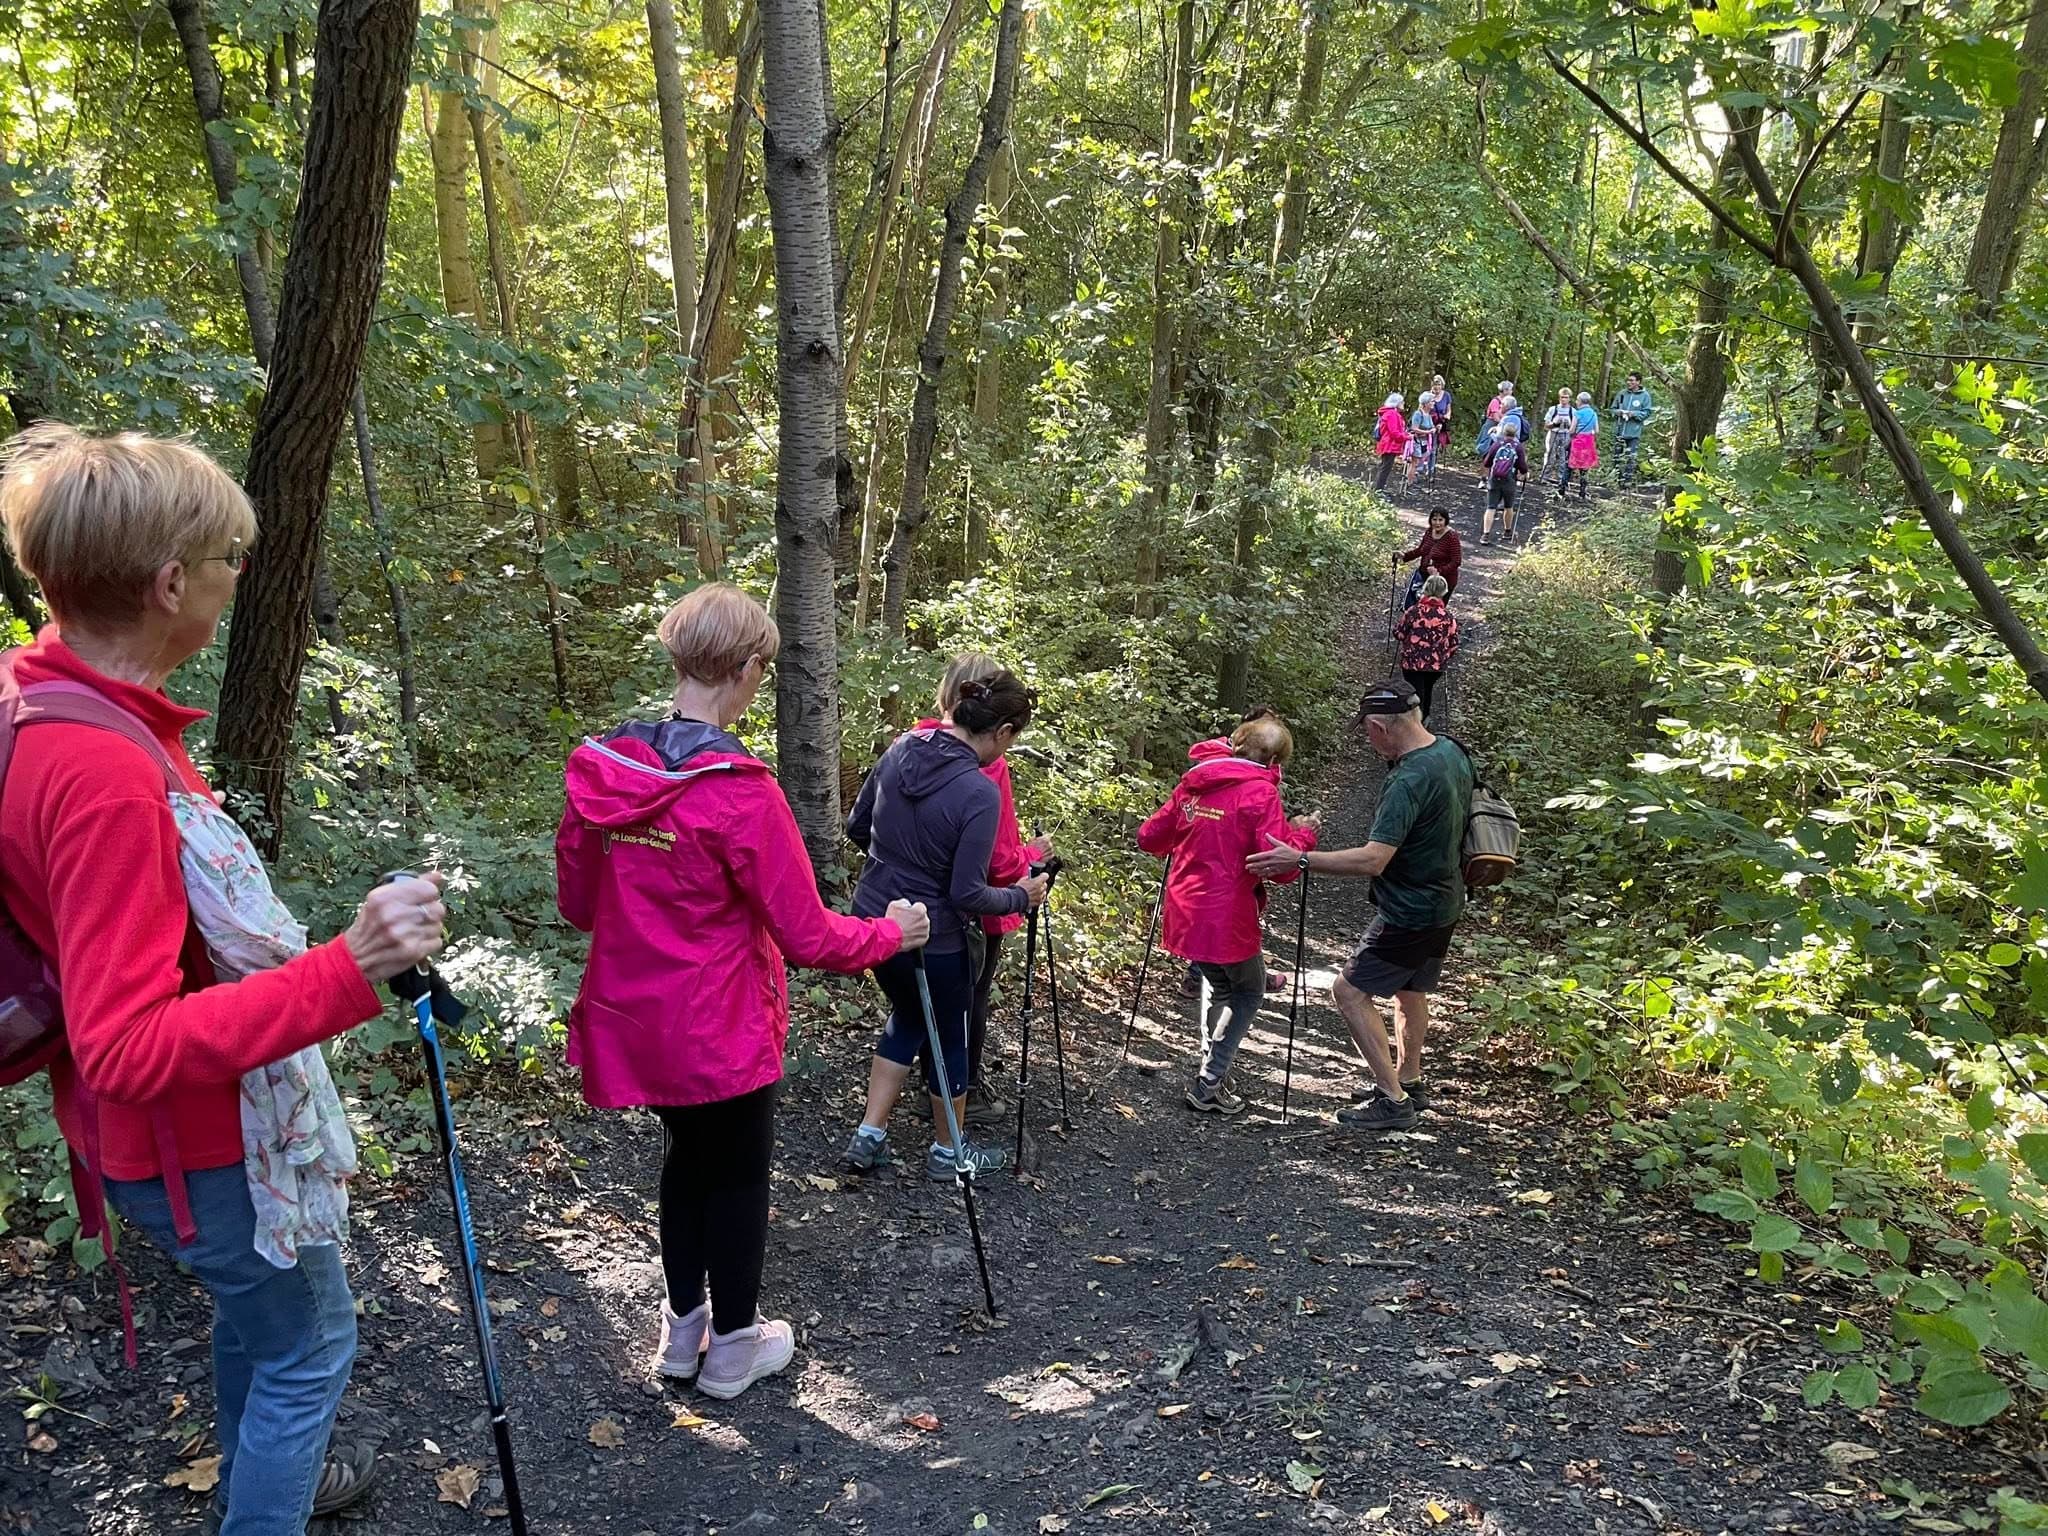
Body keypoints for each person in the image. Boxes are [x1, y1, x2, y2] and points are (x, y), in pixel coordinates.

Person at [0, 423, 451, 1534]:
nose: (235, 580)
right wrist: (352, 966)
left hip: (144, 1142)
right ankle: (269, 1503)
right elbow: (126, 1043)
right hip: (190, 1145)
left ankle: (273, 1474)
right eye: (224, 562)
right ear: (167, 585)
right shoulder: (101, 767)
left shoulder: (38, 700)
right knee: (311, 1346)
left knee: (264, 1324)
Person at [557, 583, 928, 1400]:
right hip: (718, 1027)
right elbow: (809, 936)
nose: (764, 676)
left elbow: (579, 904)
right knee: (736, 1174)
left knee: (685, 1162)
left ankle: (681, 1331)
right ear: (745, 667)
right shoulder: (737, 789)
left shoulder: (605, 769)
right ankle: (732, 1349)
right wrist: (891, 936)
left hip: (635, 1017)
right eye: (764, 664)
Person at [842, 672, 1047, 1178]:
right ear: (1001, 731)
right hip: (935, 938)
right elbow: (966, 894)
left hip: (875, 919)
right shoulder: (979, 792)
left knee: (908, 1016)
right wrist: (1022, 894)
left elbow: (856, 826)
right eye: (1013, 737)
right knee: (949, 1035)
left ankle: (868, 1136)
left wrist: (898, 870)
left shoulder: (902, 747)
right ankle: (948, 1153)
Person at [1246, 683, 1473, 1133]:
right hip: (1446, 900)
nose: (1368, 742)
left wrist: (1302, 859)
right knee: (1411, 991)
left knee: (1348, 993)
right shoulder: (1450, 751)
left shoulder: (1408, 780)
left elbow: (1374, 858)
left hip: (1409, 911)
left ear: (1378, 727)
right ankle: (1409, 1081)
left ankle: (1393, 1101)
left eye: (1367, 733)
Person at [1138, 715, 1319, 1116]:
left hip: (1185, 908)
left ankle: (1213, 1066)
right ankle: (1209, 1083)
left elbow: (1149, 838)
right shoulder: (1260, 794)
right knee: (1249, 991)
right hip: (1227, 915)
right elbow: (1281, 867)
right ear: (1274, 761)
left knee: (1221, 986)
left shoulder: (1195, 782)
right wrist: (1303, 835)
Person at [913, 653, 1052, 1125]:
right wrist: (1031, 861)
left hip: (914, 897)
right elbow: (995, 855)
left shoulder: (915, 744)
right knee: (969, 998)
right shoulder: (986, 764)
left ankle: (932, 1079)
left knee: (928, 995)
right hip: (977, 903)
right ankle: (960, 1091)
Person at [1395, 574, 1459, 722]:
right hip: (1436, 665)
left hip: (1412, 662)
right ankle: (1424, 718)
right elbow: (1454, 643)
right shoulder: (1448, 617)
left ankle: (1414, 722)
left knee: (1415, 691)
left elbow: (1399, 633)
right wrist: (1444, 656)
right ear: (1444, 592)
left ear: (1426, 589)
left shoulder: (1413, 611)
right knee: (1427, 689)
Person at [1395, 506, 1462, 606]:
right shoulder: (1429, 531)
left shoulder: (1451, 537)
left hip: (1442, 582)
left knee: (1435, 610)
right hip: (1425, 577)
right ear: (1430, 520)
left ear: (1446, 521)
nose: (1437, 523)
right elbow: (1421, 550)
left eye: (1440, 520)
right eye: (1434, 519)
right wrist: (1404, 556)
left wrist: (1439, 571)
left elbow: (1456, 561)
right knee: (1419, 606)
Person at [1480, 418, 1527, 546]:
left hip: (1494, 479)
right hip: (1509, 480)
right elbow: (1523, 467)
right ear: (1515, 433)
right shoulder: (1518, 447)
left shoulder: (1496, 444)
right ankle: (1507, 531)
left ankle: (1485, 535)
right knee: (1508, 506)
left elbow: (1487, 463)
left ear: (1503, 432)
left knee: (1491, 507)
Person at [1611, 372, 1653, 487]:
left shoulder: (1645, 396)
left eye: (1632, 380)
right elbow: (1612, 409)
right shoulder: (1622, 394)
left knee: (1631, 456)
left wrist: (1633, 414)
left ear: (1638, 382)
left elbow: (1647, 412)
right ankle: (1616, 479)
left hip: (1634, 431)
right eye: (1628, 380)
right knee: (1617, 455)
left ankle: (1627, 481)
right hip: (1620, 429)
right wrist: (1618, 412)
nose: (1629, 382)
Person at [1561, 391, 1599, 499]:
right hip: (1588, 442)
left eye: (1577, 400)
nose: (1576, 402)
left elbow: (1572, 430)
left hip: (1578, 441)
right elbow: (1596, 430)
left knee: (1569, 465)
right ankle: (1582, 492)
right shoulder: (1593, 413)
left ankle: (1562, 489)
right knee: (1585, 467)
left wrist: (1570, 431)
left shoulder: (1577, 413)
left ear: (1581, 401)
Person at [1373, 393, 1410, 491]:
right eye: (1402, 402)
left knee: (1384, 468)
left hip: (1388, 444)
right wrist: (1407, 437)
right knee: (1385, 469)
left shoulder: (1389, 413)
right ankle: (1378, 491)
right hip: (1389, 445)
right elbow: (1394, 433)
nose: (1403, 403)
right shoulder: (1392, 414)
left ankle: (1379, 489)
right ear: (1397, 403)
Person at [1403, 391, 1438, 492]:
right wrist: (1428, 432)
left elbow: (1431, 427)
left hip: (1424, 442)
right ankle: (1409, 483)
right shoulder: (1418, 414)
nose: (1433, 403)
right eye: (1432, 401)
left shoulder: (1428, 415)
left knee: (1418, 462)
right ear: (1426, 403)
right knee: (1414, 463)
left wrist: (1434, 429)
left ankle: (1411, 481)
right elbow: (1414, 428)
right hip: (1416, 441)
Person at [1472, 380, 1512, 458]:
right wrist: (1504, 424)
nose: (1511, 392)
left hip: (1500, 427)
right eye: (1510, 390)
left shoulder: (1508, 402)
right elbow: (1496, 417)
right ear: (1504, 390)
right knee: (1486, 450)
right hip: (1491, 426)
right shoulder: (1495, 401)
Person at [1542, 388, 1575, 474]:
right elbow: (1546, 426)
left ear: (1569, 399)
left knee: (1563, 456)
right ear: (1559, 398)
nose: (1564, 399)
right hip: (1553, 433)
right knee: (1550, 455)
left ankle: (1562, 478)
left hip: (1566, 434)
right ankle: (1545, 475)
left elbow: (1575, 429)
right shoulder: (1553, 409)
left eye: (1566, 397)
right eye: (1562, 397)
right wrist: (1555, 423)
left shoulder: (1573, 411)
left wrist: (1568, 424)